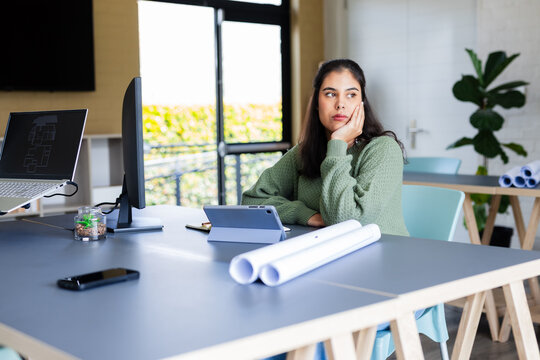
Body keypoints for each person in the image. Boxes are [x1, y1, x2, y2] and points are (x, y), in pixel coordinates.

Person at [242, 59, 408, 236]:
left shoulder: (383, 149)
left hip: (382, 255)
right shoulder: (303, 153)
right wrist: (305, 214)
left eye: (351, 95)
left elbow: (348, 222)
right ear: (316, 103)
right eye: (330, 94)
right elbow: (252, 200)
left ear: (362, 103)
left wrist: (338, 144)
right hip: (324, 251)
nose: (340, 104)